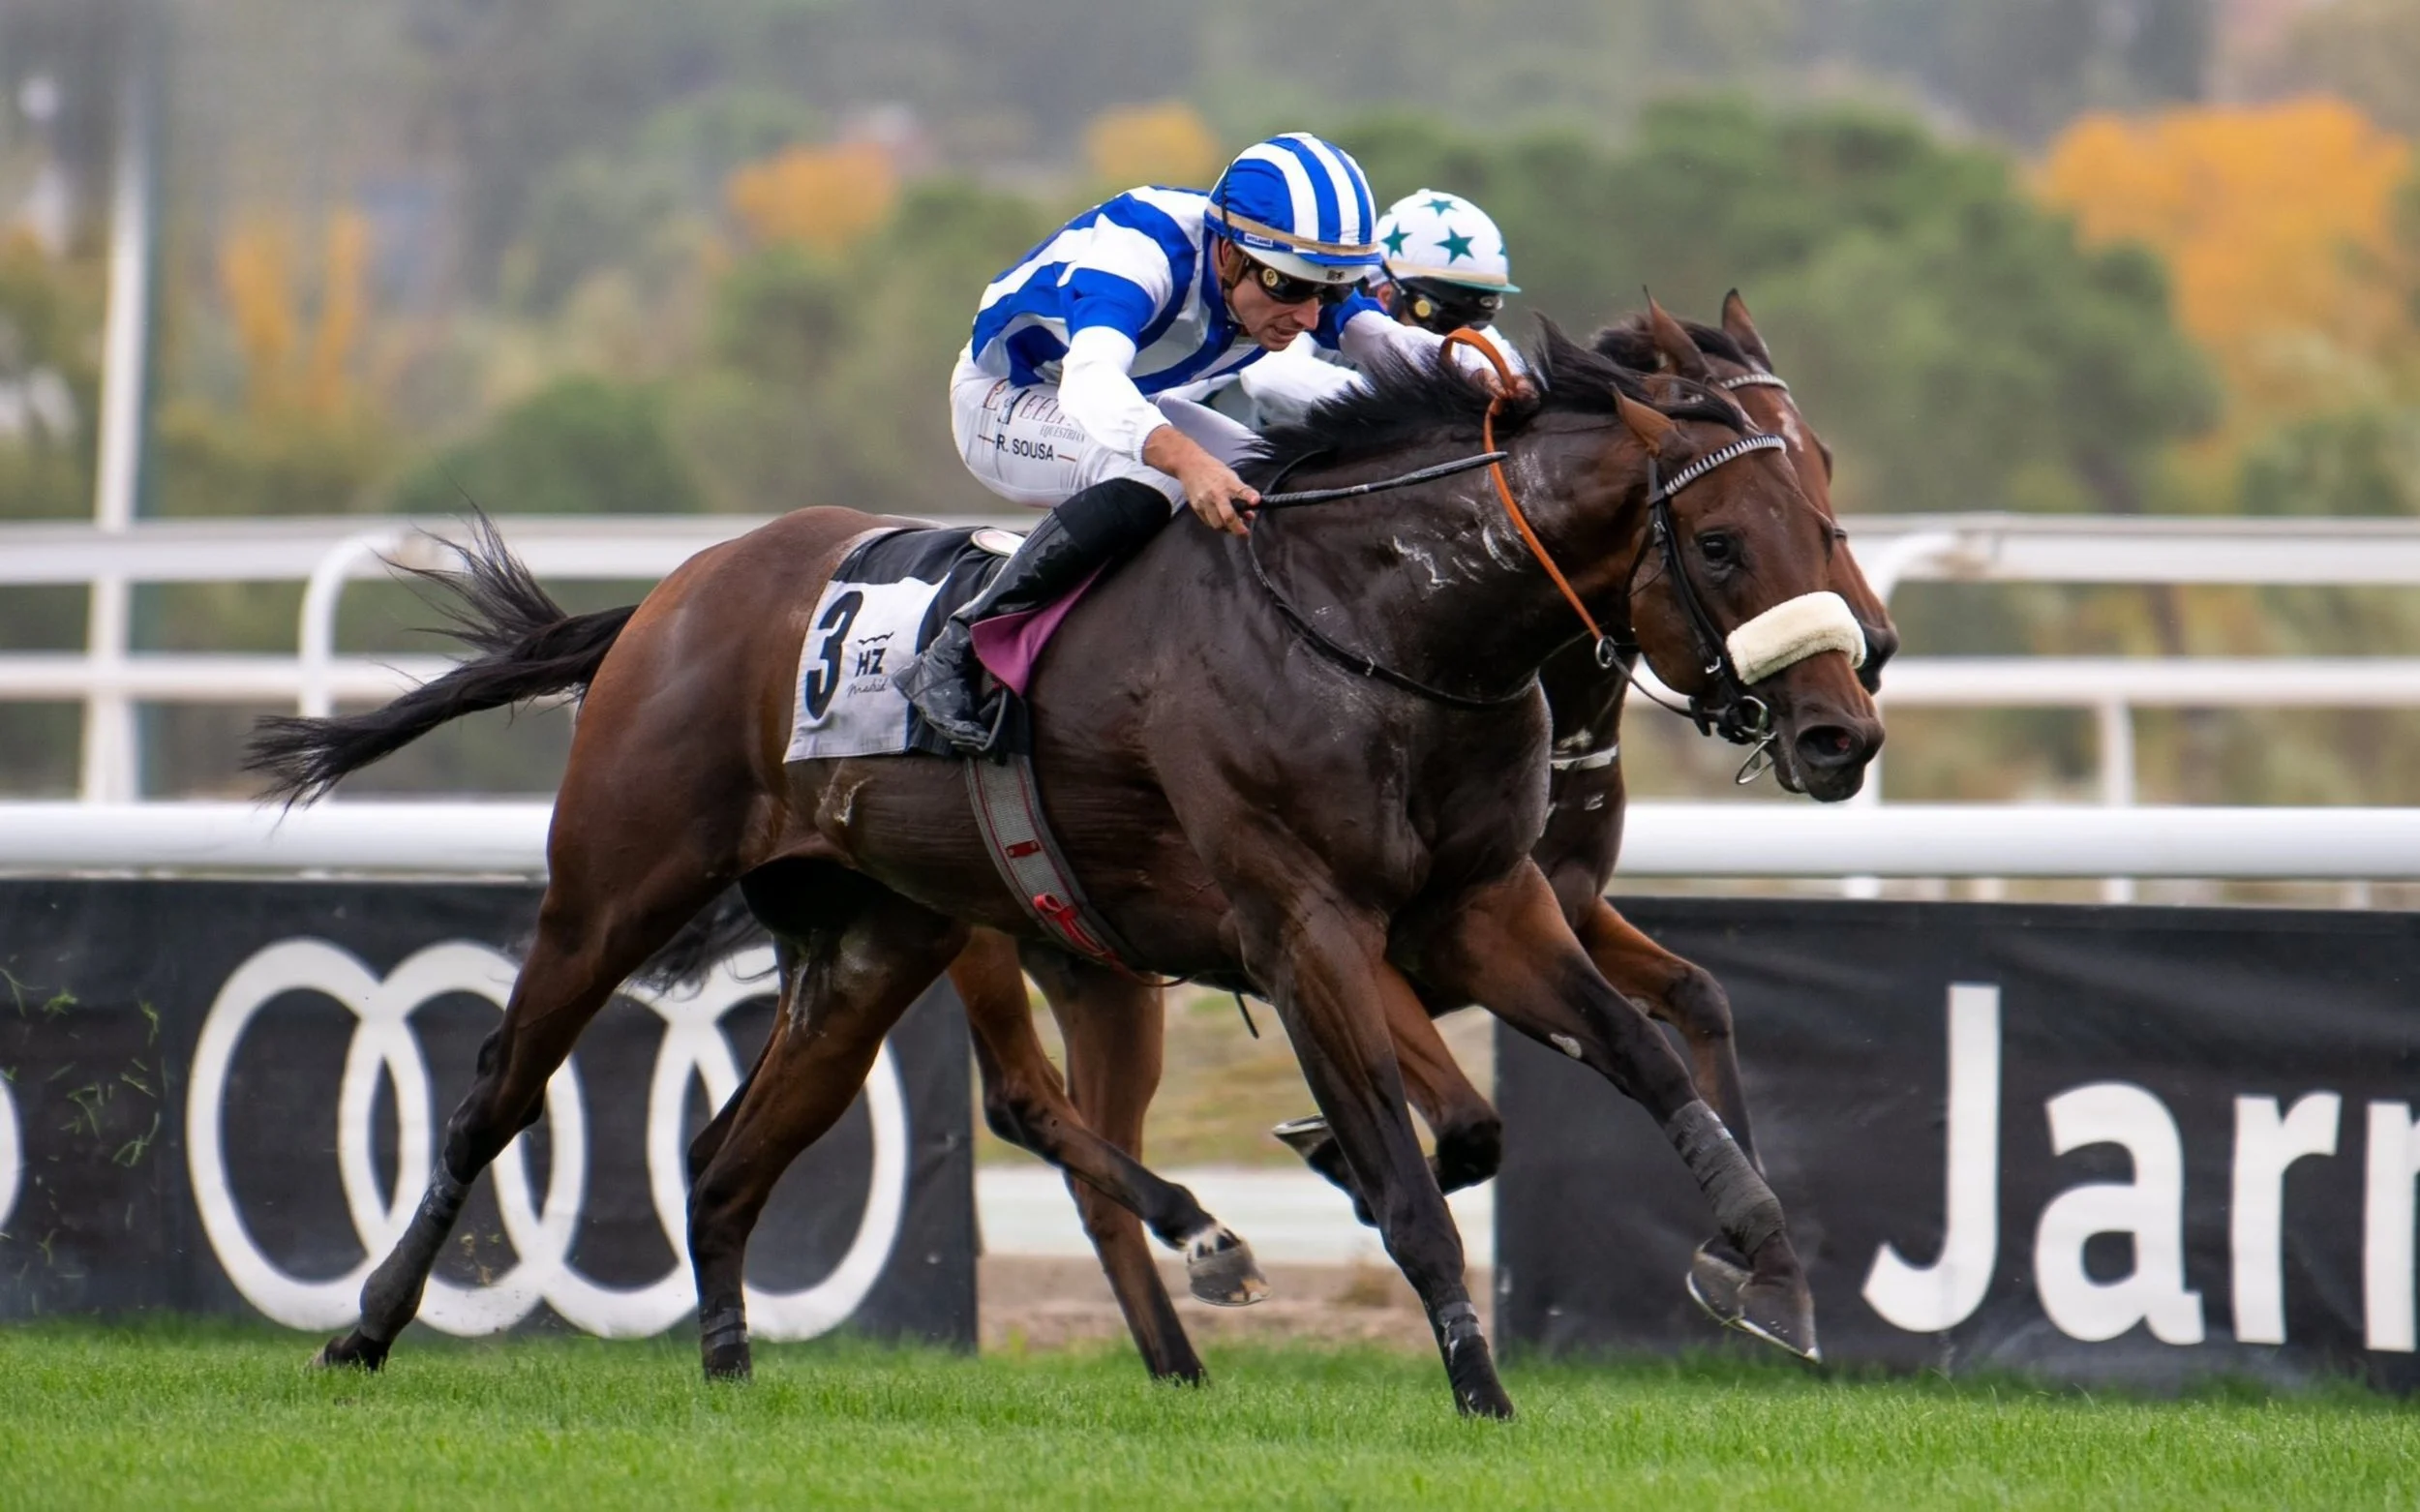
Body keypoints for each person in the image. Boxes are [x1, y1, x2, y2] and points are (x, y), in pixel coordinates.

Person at [895, 133, 1469, 753]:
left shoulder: (1286, 263)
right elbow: (1091, 385)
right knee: (1164, 475)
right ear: (1228, 254)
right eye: (1291, 288)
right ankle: (955, 647)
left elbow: (1382, 343)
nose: (1309, 316)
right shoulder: (1142, 254)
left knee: (1266, 476)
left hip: (1122, 403)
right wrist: (1190, 461)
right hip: (1005, 399)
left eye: (1328, 292)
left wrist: (1492, 380)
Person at [1177, 186, 1524, 431]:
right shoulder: (1312, 304)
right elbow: (1269, 378)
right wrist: (1422, 402)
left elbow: (1516, 380)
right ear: (1387, 294)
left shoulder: (1468, 335)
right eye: (1443, 314)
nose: (1456, 332)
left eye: (1477, 318)